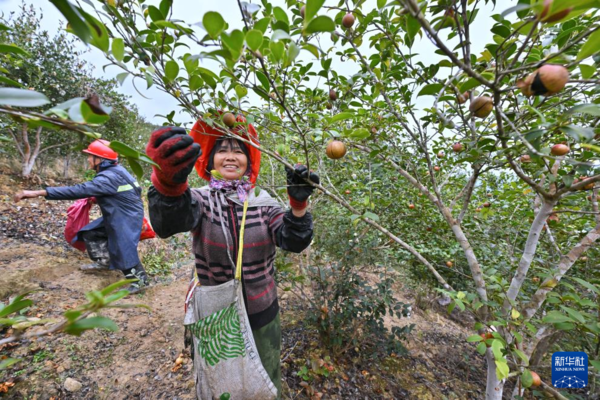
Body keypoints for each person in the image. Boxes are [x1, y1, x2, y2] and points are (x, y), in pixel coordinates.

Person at [145, 116, 319, 396]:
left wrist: (298, 206)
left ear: (249, 161)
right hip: (215, 316)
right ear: (210, 160)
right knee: (220, 384)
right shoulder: (200, 199)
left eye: (238, 150)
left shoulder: (264, 203)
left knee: (262, 381)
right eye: (222, 150)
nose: (230, 156)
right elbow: (168, 224)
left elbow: (293, 240)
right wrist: (168, 185)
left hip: (261, 313)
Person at [13, 139, 148, 294]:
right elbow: (128, 190)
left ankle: (141, 282)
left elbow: (77, 190)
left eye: (91, 156)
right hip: (123, 213)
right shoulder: (116, 171)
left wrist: (39, 192)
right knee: (91, 233)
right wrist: (98, 198)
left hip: (126, 216)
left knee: (123, 247)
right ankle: (104, 261)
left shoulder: (108, 177)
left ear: (100, 159)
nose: (88, 159)